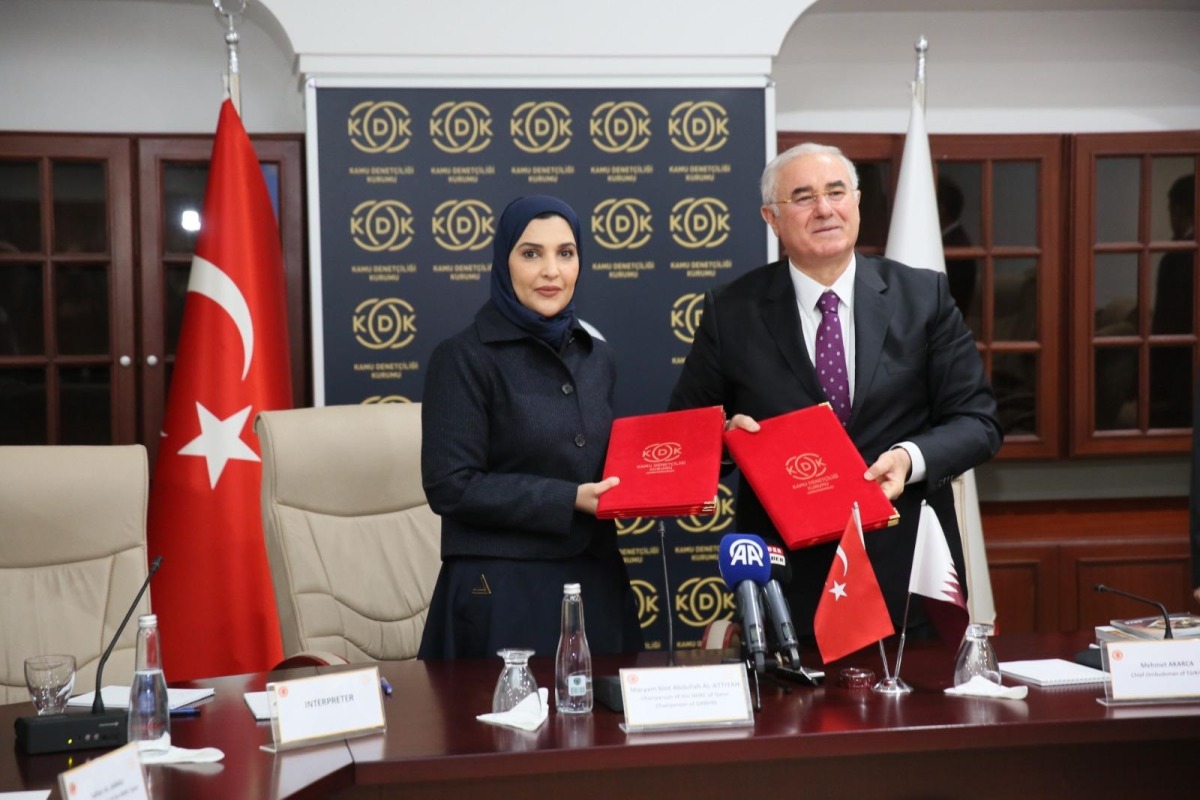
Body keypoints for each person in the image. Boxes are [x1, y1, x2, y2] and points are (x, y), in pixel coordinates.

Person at [669, 143, 1003, 641]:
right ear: (772, 218)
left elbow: (979, 423)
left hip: (909, 574)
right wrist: (722, 439)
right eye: (802, 197)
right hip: (786, 586)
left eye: (836, 192)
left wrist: (909, 459)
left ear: (857, 202)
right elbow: (685, 438)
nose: (824, 209)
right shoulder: (731, 311)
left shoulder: (923, 297)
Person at [418, 194, 643, 660]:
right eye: (531, 253)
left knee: (608, 728)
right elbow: (451, 486)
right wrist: (568, 498)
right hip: (502, 588)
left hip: (597, 581)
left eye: (565, 253)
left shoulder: (598, 358)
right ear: (504, 262)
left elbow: (614, 463)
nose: (551, 271)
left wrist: (706, 451)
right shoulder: (462, 357)